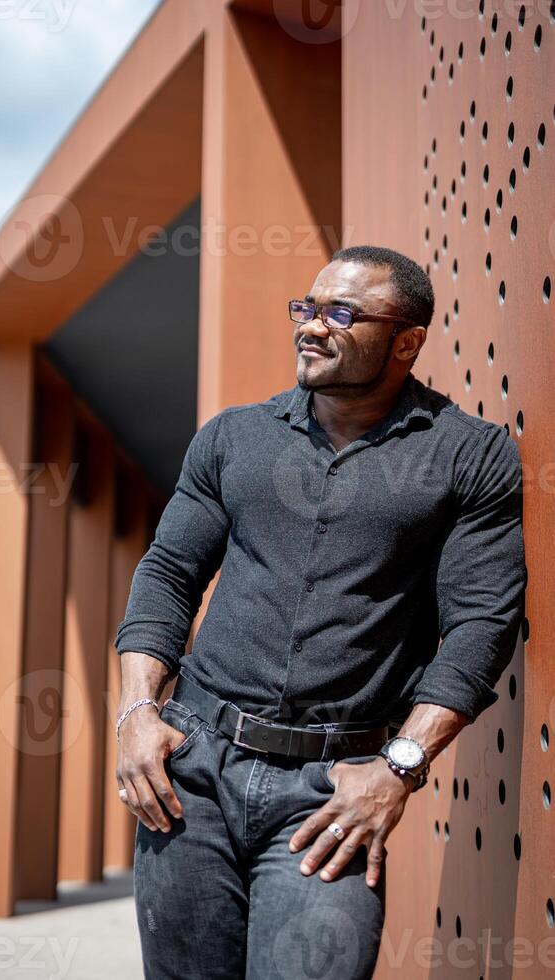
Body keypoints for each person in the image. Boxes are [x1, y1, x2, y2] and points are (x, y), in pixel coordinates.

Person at [113, 245, 527, 980]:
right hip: (195, 772)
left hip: (334, 791)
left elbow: (480, 625)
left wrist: (399, 769)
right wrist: (137, 712)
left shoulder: (468, 455)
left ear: (406, 341)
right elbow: (169, 573)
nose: (312, 327)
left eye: (342, 313)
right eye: (307, 309)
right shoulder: (232, 438)